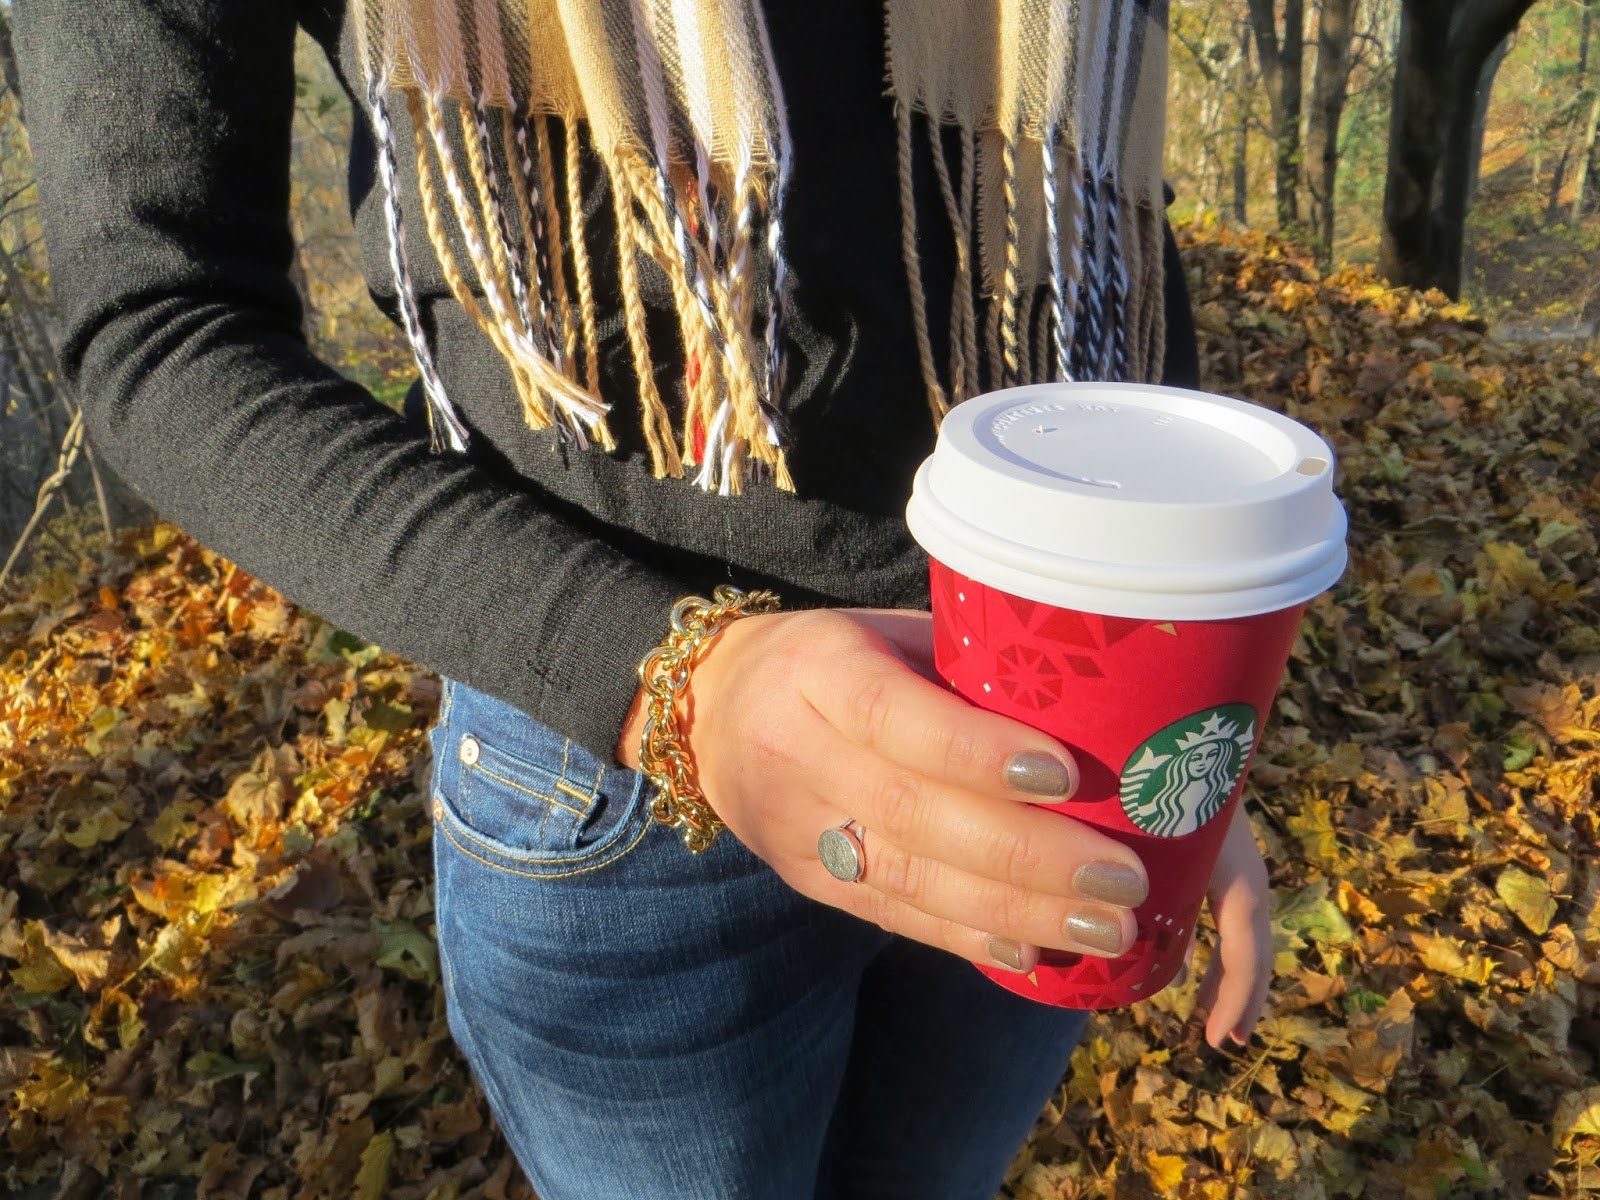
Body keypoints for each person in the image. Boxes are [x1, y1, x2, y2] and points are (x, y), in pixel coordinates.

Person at [18, 2, 1275, 1196]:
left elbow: (1109, 208)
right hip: (619, 796)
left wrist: (1176, 690)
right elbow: (161, 326)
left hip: (1049, 716)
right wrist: (669, 680)